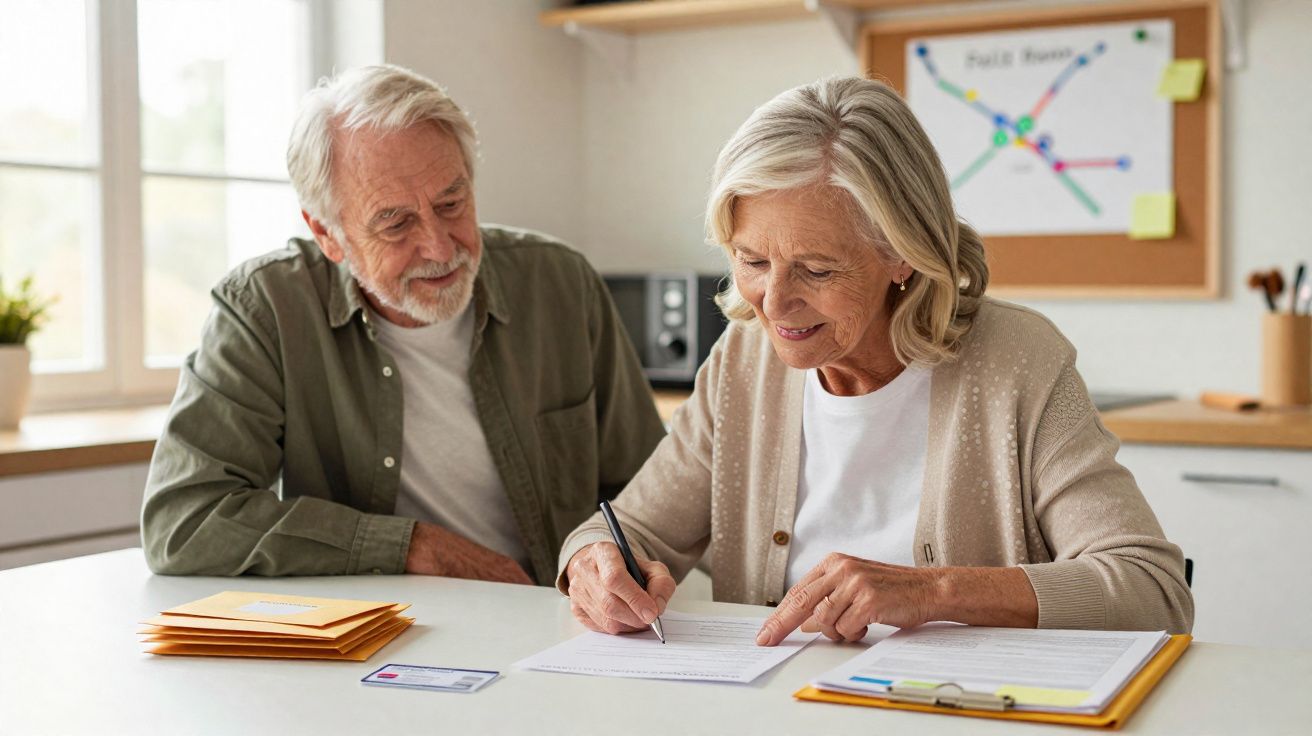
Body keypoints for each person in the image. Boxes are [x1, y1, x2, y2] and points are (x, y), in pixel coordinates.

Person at [559, 77, 1194, 643]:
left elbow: (1152, 590)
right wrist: (592, 563)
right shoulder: (744, 361)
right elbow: (627, 530)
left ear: (903, 254)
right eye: (752, 261)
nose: (773, 302)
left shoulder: (1018, 362)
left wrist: (932, 591)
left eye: (816, 269)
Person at [141, 65, 665, 585]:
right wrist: (414, 547)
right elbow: (183, 520)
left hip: (553, 614)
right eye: (395, 224)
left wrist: (605, 569)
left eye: (451, 204)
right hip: (376, 627)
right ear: (327, 234)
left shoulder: (561, 283)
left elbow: (650, 494)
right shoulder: (266, 308)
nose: (439, 247)